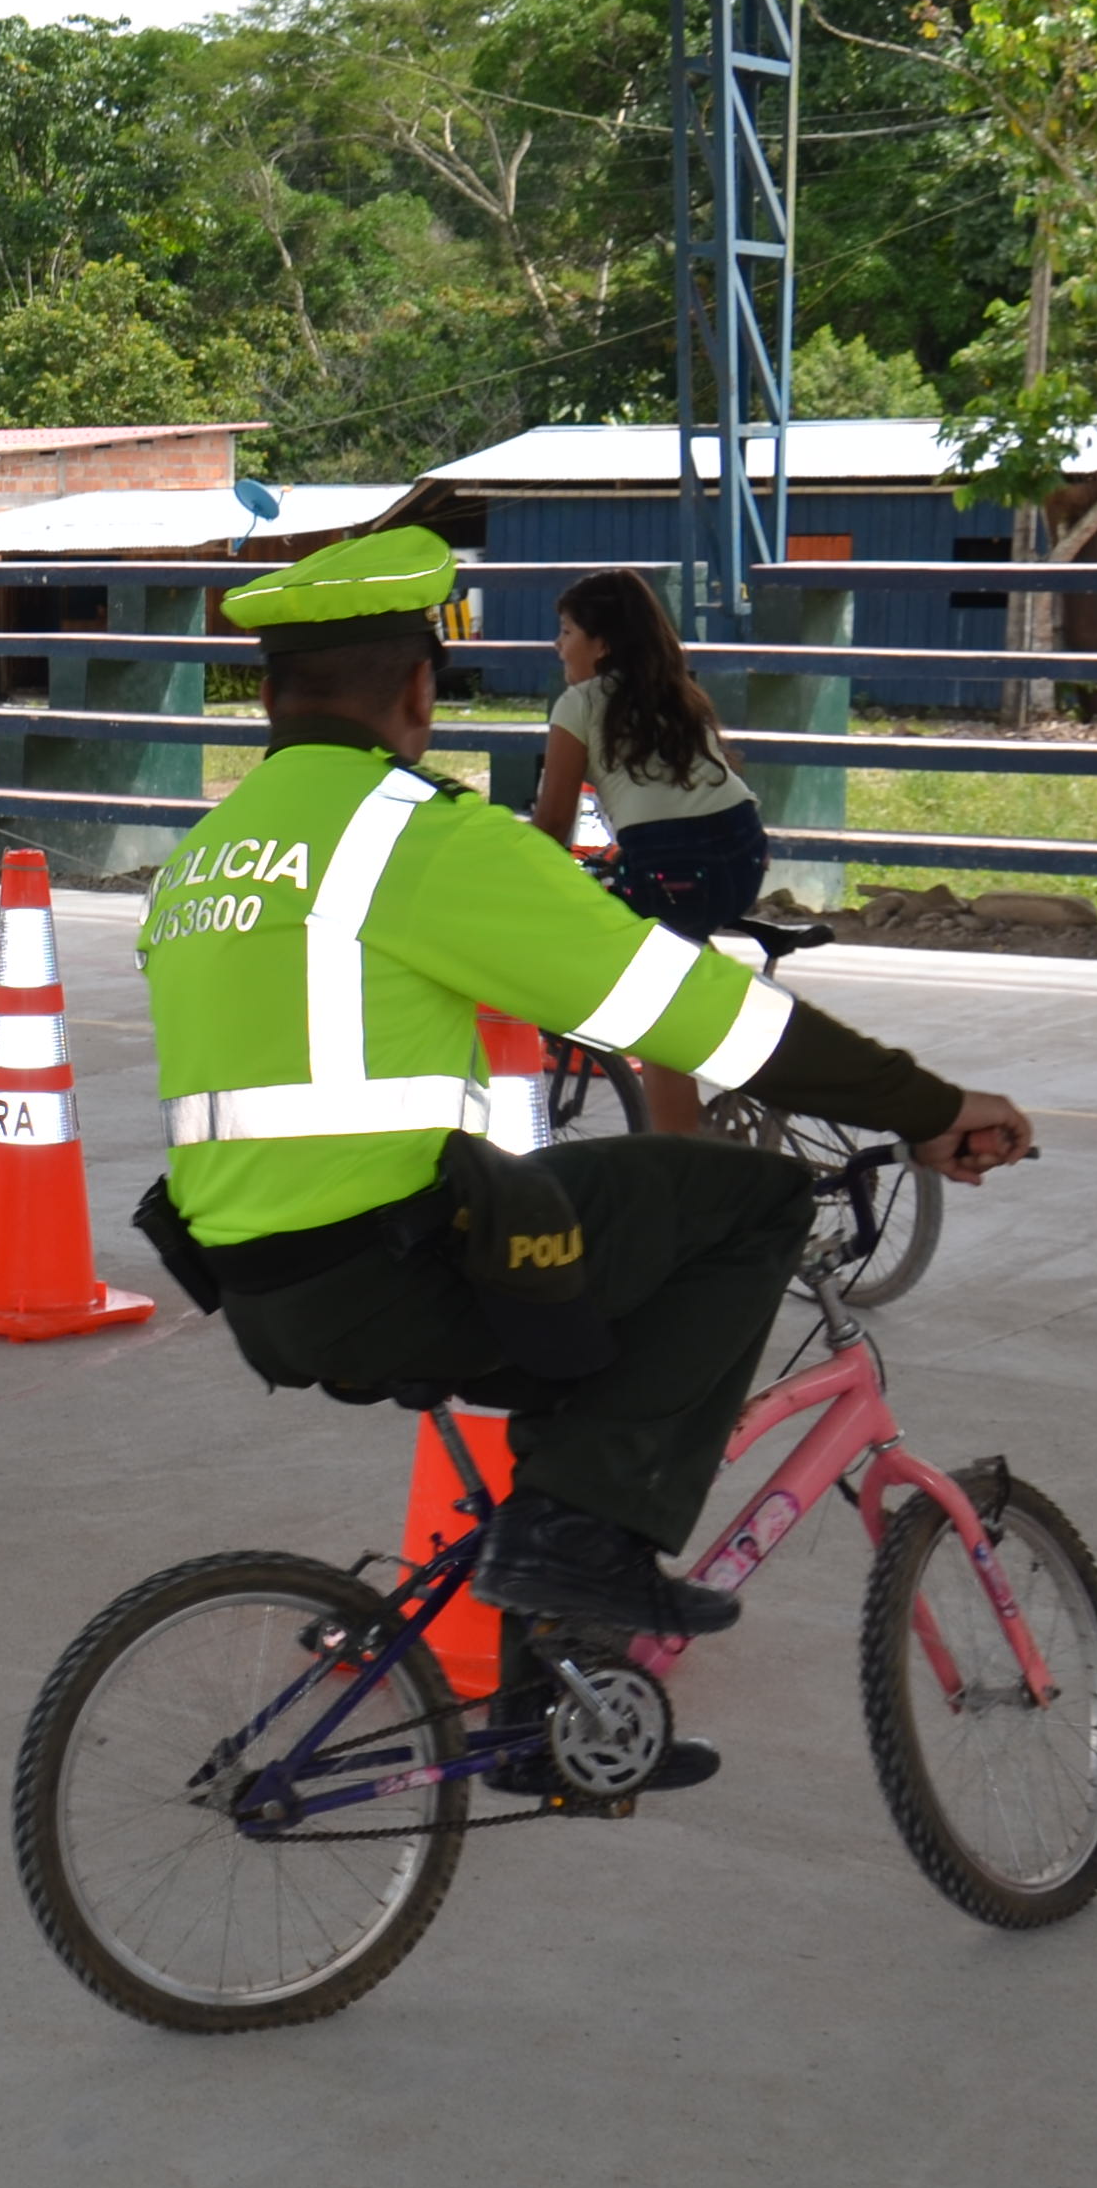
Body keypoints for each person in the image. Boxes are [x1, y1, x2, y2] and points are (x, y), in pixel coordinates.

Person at [136, 525, 1032, 1646]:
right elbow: (710, 1021)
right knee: (742, 1203)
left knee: (587, 1320)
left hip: (254, 1284)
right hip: (391, 1269)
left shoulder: (207, 851)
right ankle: (580, 1545)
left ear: (269, 699)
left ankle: (552, 1686)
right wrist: (931, 1108)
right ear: (419, 688)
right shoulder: (414, 838)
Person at [531, 566, 769, 1136]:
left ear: (602, 644)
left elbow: (554, 823)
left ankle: (679, 1163)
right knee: (674, 957)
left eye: (567, 630)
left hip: (671, 861)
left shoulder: (580, 703)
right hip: (741, 847)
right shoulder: (676, 693)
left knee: (652, 1012)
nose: (557, 644)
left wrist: (524, 881)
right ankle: (719, 1084)